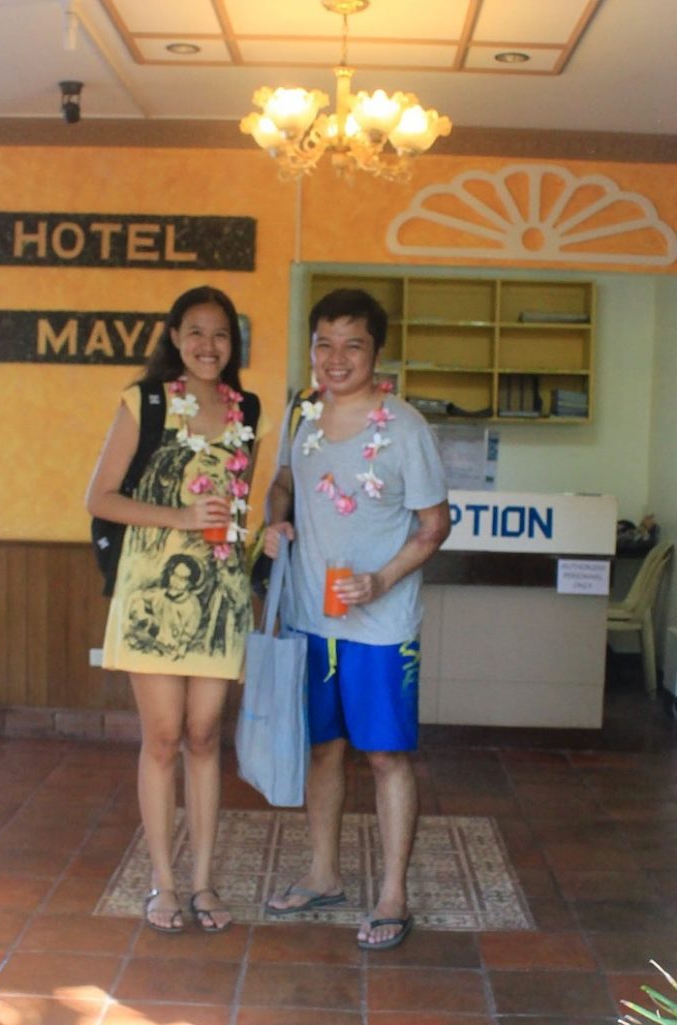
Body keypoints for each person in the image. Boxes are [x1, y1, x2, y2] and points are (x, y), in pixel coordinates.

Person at [263, 287, 450, 950]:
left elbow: (435, 525)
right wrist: (276, 518)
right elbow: (283, 479)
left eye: (352, 344)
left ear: (376, 352)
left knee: (385, 755)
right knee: (322, 749)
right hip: (310, 618)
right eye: (324, 344)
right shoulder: (301, 412)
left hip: (381, 626)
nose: (335, 358)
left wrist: (381, 580)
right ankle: (324, 875)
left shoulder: (405, 428)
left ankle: (393, 894)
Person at [86, 285, 267, 935]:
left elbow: (240, 504)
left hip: (218, 592)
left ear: (232, 342)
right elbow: (100, 497)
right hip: (150, 593)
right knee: (163, 737)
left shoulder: (248, 407)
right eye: (196, 332)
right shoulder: (147, 401)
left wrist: (253, 562)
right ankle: (164, 882)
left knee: (205, 735)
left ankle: (204, 881)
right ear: (173, 336)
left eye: (221, 334)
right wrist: (181, 518)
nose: (208, 346)